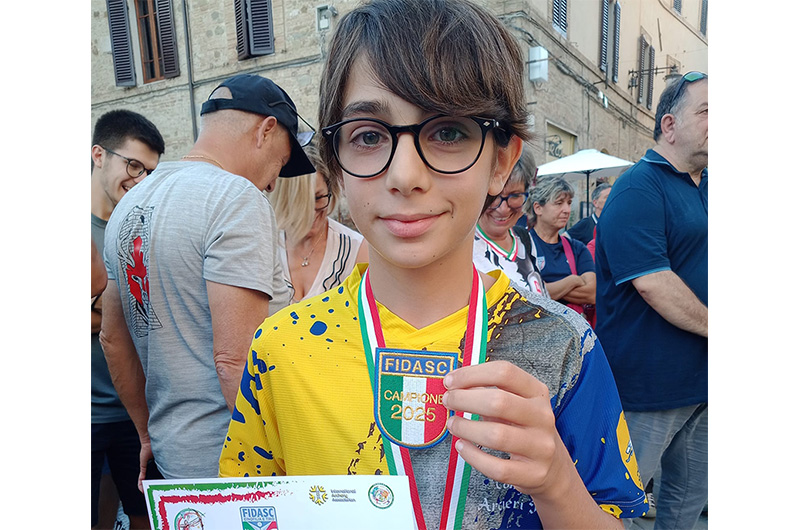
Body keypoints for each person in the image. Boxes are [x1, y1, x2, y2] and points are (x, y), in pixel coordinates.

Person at [219, 2, 647, 529]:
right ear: (335, 162)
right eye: (369, 135)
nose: (405, 175)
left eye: (447, 132)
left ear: (502, 162)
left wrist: (556, 482)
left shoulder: (561, 345)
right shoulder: (281, 349)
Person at [100, 74, 313, 486]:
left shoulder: (129, 203)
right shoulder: (236, 197)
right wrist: (284, 459)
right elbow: (236, 361)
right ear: (266, 130)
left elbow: (113, 339)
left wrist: (145, 433)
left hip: (172, 455)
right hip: (235, 466)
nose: (273, 183)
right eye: (281, 162)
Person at [594, 71, 708, 529]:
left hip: (702, 383)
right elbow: (653, 282)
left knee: (685, 505)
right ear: (669, 125)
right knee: (616, 505)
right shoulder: (638, 187)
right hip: (647, 388)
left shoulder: (706, 188)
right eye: (707, 112)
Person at [91, 109, 164, 530]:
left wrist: (101, 308)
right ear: (99, 155)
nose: (141, 180)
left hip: (137, 413)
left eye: (150, 172)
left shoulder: (144, 228)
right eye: (133, 165)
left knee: (145, 517)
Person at [269, 139, 369, 302]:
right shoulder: (265, 247)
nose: (310, 212)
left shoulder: (356, 250)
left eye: (318, 198)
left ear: (331, 191)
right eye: (300, 202)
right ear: (284, 201)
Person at [473, 145, 547, 297]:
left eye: (515, 196)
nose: (503, 209)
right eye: (493, 196)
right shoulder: (462, 250)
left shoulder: (524, 239)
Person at [527, 176, 596, 314]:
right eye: (559, 203)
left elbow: (592, 294)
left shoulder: (577, 248)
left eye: (569, 203)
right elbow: (528, 293)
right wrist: (573, 280)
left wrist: (547, 286)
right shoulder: (523, 246)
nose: (567, 210)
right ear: (538, 208)